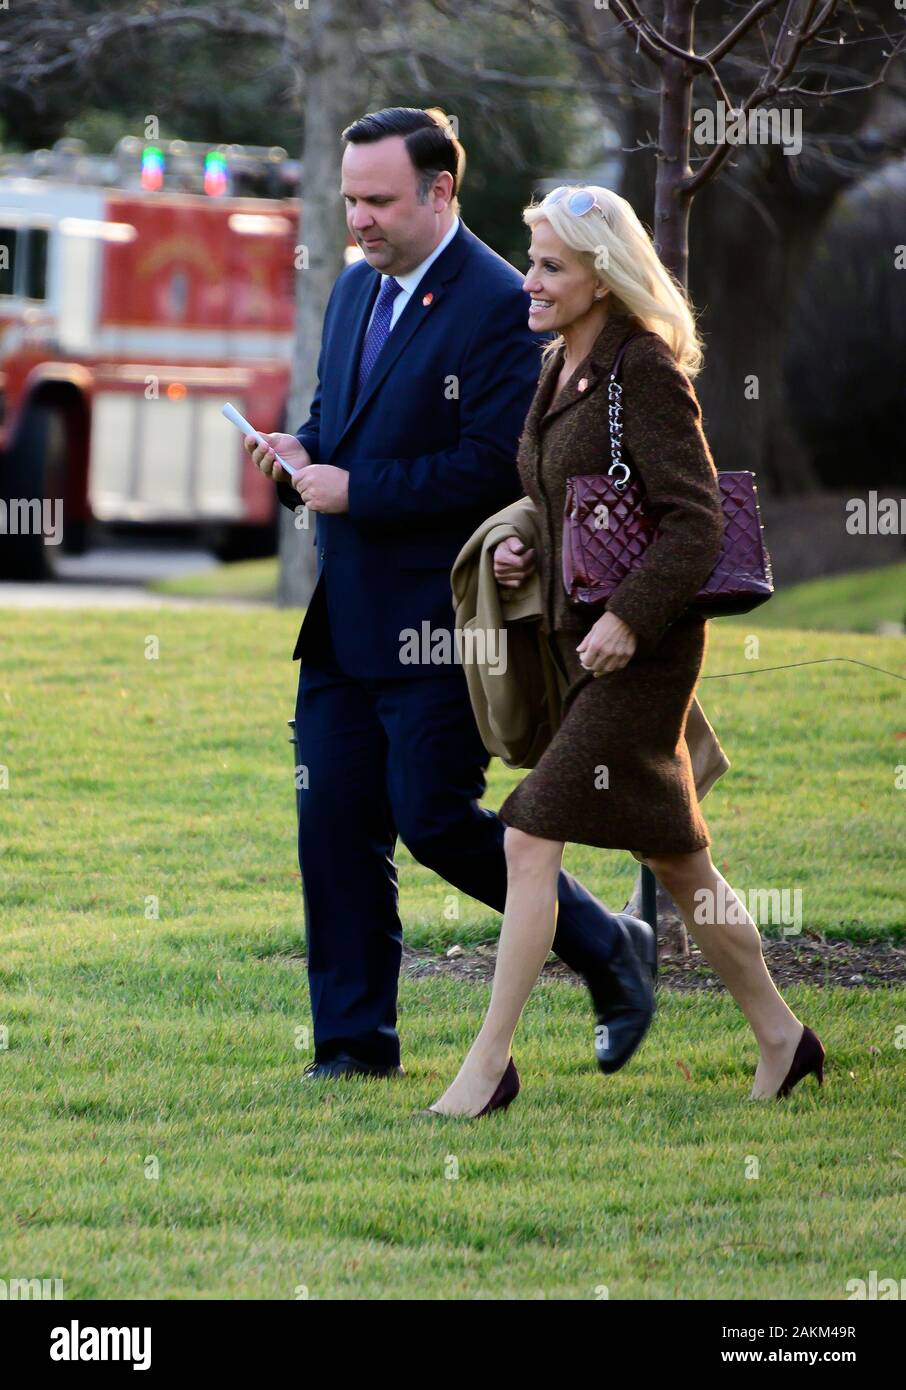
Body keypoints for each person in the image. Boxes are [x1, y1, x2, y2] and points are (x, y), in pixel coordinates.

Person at [244, 110, 673, 1081]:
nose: (358, 217)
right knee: (335, 826)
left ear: (441, 192)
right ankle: (353, 1048)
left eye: (379, 199)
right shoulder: (355, 290)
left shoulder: (498, 299)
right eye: (350, 197)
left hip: (447, 623)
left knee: (433, 817)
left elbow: (495, 465)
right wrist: (300, 453)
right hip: (342, 621)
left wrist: (357, 490)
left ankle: (608, 943)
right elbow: (332, 424)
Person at [423, 185, 825, 1118]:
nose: (530, 280)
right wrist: (526, 538)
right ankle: (782, 1037)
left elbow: (693, 520)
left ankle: (488, 1068)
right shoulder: (561, 363)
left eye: (551, 266)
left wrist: (632, 620)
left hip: (639, 656)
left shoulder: (640, 370)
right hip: (586, 648)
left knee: (526, 833)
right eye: (532, 260)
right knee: (682, 864)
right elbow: (572, 494)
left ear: (603, 277)